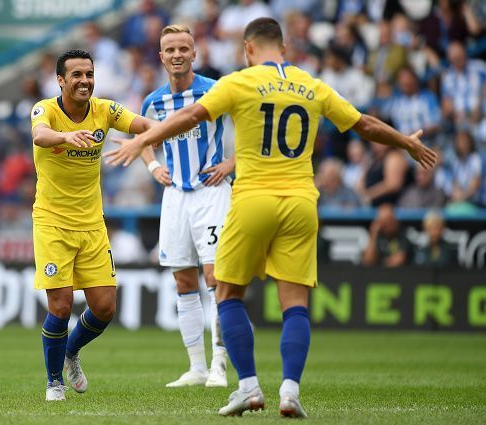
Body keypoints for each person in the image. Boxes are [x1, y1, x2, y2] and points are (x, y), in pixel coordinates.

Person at [105, 17, 437, 418]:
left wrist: (142, 139)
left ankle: (247, 387)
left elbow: (191, 116)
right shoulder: (311, 84)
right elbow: (363, 124)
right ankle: (290, 390)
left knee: (225, 293)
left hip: (253, 200)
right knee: (294, 303)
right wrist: (405, 142)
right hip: (300, 203)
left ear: (248, 48)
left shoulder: (238, 82)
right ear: (285, 48)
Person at [30, 49, 154, 401]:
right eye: (77, 75)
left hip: (92, 224)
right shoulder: (46, 109)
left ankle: (70, 351)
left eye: (89, 74)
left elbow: (142, 125)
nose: (84, 80)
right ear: (60, 80)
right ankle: (54, 382)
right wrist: (65, 137)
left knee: (104, 308)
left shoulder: (105, 110)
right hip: (52, 222)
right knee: (61, 305)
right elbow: (40, 135)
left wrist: (160, 132)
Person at [138, 24, 234, 388]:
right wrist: (153, 165)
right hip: (175, 195)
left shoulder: (216, 92)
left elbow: (255, 126)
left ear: (195, 53)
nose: (177, 54)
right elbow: (141, 136)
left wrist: (231, 163)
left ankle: (220, 365)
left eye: (183, 48)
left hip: (212, 192)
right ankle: (196, 367)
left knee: (215, 277)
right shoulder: (154, 101)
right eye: (170, 50)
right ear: (161, 57)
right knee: (182, 278)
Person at [361, 203, 411, 268]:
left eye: (388, 220)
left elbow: (398, 261)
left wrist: (379, 262)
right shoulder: (377, 237)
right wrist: (373, 234)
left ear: (394, 220)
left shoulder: (403, 235)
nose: (386, 224)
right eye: (382, 221)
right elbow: (367, 262)